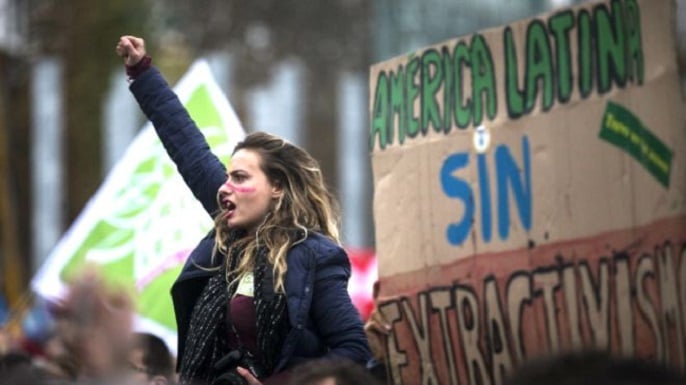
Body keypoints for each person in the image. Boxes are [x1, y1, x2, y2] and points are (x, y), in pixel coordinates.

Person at [116, 35, 372, 385]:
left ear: (277, 187)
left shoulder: (316, 256)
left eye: (240, 177)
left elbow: (354, 350)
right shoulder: (228, 237)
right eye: (226, 177)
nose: (225, 188)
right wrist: (141, 73)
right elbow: (187, 146)